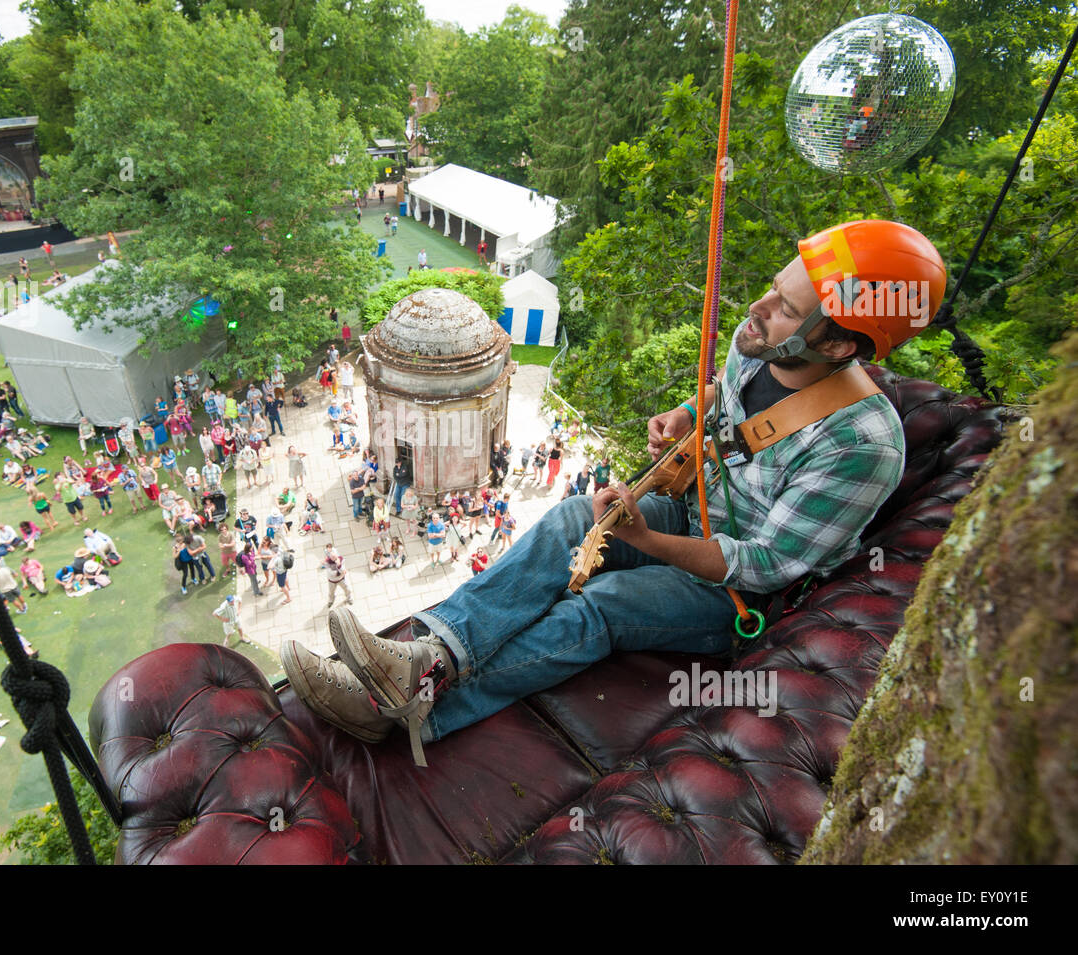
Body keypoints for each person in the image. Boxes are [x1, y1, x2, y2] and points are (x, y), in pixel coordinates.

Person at [279, 218, 946, 767]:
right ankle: (431, 654)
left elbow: (767, 564)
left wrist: (647, 541)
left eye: (785, 308)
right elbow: (728, 394)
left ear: (835, 343)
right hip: (691, 511)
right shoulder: (763, 345)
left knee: (604, 602)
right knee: (575, 518)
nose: (759, 309)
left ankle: (408, 712)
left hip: (735, 590)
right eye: (775, 288)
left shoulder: (860, 446)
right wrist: (688, 414)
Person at [323, 544, 352, 608]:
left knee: (347, 589)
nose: (334, 558)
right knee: (331, 592)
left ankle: (349, 598)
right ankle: (331, 600)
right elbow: (330, 572)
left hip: (341, 579)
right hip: (331, 581)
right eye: (332, 557)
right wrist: (339, 572)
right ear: (329, 557)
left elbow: (343, 570)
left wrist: (339, 565)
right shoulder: (327, 562)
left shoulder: (341, 560)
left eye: (335, 556)